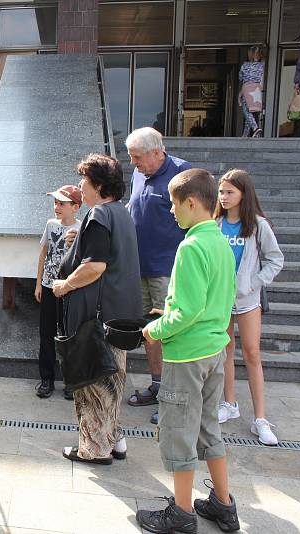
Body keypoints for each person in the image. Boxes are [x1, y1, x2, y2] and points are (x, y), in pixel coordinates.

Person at [136, 168, 240, 534]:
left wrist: (155, 329)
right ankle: (223, 505)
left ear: (191, 202)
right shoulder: (220, 242)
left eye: (174, 205)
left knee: (179, 431)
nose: (171, 212)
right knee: (208, 428)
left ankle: (181, 514)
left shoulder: (191, 245)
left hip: (187, 357)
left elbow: (188, 310)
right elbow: (212, 301)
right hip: (214, 351)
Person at [53, 154, 141, 464]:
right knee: (113, 380)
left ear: (100, 186)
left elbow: (96, 267)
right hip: (120, 315)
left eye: (84, 182)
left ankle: (94, 450)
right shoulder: (120, 213)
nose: (80, 186)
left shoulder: (99, 215)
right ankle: (114, 441)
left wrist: (64, 286)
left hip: (96, 318)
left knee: (93, 385)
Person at [125, 127, 191, 425]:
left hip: (167, 269)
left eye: (137, 157)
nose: (133, 163)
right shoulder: (139, 173)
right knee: (149, 331)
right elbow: (133, 207)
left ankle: (173, 397)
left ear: (156, 151)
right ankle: (158, 385)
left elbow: (197, 220)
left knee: (171, 333)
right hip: (139, 266)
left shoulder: (182, 174)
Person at [215, 169, 284, 446]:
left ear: (244, 193)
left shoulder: (257, 225)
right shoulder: (215, 223)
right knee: (225, 351)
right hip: (220, 300)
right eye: (221, 192)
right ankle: (229, 404)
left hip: (247, 301)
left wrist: (254, 283)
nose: (224, 197)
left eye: (230, 192)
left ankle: (260, 419)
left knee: (252, 354)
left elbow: (275, 260)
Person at [34, 185, 82, 400]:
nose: (57, 207)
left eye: (62, 203)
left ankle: (71, 381)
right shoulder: (50, 225)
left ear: (75, 207)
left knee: (69, 335)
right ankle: (46, 379)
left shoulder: (82, 228)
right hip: (48, 286)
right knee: (46, 333)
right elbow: (43, 253)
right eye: (55, 203)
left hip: (70, 289)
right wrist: (38, 284)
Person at [238, 44, 265, 137]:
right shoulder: (262, 65)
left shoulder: (245, 65)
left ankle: (255, 128)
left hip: (247, 89)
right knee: (252, 112)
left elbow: (240, 78)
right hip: (257, 90)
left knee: (246, 110)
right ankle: (245, 135)